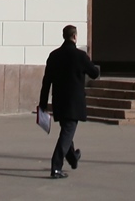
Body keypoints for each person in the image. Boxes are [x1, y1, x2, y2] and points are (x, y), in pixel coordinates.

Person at [37, 24, 99, 179]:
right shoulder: (80, 56)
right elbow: (94, 73)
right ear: (75, 36)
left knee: (66, 130)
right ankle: (56, 166)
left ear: (64, 36)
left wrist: (43, 104)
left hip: (59, 101)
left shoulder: (54, 55)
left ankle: (72, 157)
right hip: (74, 103)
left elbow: (46, 82)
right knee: (67, 133)